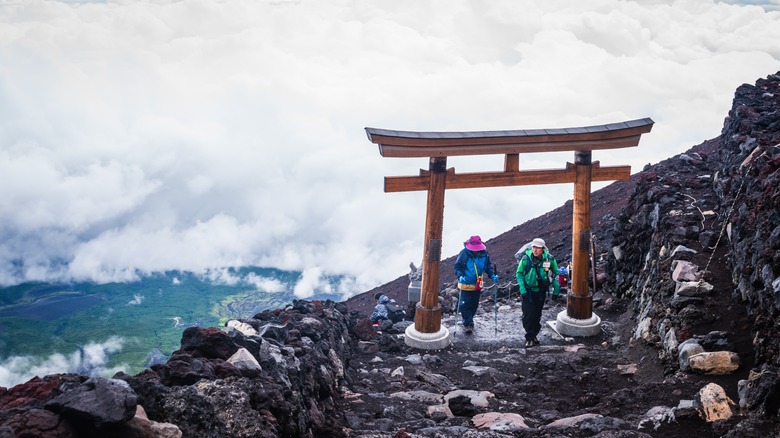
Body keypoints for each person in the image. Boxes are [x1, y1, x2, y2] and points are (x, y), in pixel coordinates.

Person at [516, 237, 560, 347]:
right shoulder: (526, 259)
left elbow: (556, 273)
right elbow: (519, 274)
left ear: (543, 249)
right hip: (528, 291)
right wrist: (522, 289)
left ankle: (534, 335)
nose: (535, 250)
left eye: (538, 248)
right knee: (528, 315)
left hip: (541, 292)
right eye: (534, 247)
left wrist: (556, 287)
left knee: (537, 315)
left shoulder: (549, 259)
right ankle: (529, 337)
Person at [454, 235, 498, 334]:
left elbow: (488, 266)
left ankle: (469, 320)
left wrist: (492, 275)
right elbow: (457, 266)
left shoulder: (485, 254)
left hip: (477, 284)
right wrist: (460, 276)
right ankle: (468, 324)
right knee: (464, 305)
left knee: (474, 305)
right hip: (465, 284)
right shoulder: (464, 253)